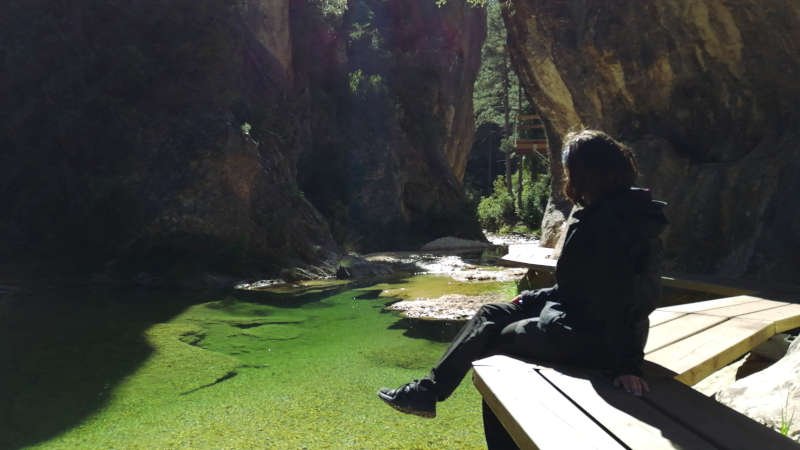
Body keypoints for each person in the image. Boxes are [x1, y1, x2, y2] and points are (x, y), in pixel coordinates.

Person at [377, 129, 668, 448]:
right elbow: (581, 287)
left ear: (584, 172)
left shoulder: (609, 223)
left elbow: (635, 294)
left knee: (495, 345)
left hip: (592, 341)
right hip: (585, 325)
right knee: (492, 312)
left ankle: (436, 398)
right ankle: (426, 392)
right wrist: (528, 298)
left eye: (566, 166)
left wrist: (627, 365)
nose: (565, 174)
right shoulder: (620, 211)